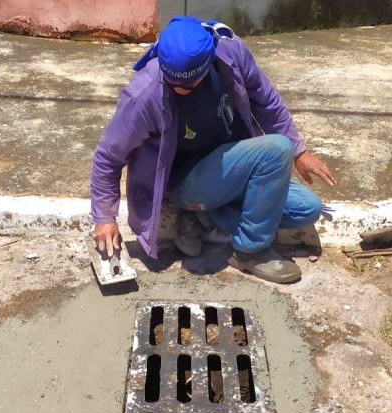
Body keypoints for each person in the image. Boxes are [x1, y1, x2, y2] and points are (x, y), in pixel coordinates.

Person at [90, 16, 336, 283]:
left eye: (185, 85)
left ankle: (208, 214)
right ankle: (250, 251)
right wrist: (105, 217)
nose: (177, 89)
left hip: (229, 170)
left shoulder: (230, 52)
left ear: (207, 65)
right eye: (171, 82)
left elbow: (265, 99)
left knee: (307, 208)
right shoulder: (144, 95)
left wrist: (300, 152)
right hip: (186, 180)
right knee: (276, 149)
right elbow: (108, 157)